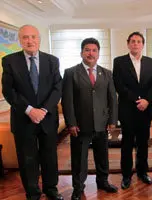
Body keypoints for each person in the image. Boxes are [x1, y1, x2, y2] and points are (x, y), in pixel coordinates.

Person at [1, 25, 63, 200]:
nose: (30, 41)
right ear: (20, 40)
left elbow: (57, 87)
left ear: (39, 39)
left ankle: (51, 189)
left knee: (50, 157)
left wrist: (43, 110)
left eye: (33, 37)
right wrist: (29, 110)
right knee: (27, 159)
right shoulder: (9, 61)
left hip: (47, 118)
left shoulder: (52, 60)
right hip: (23, 119)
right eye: (26, 37)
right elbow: (9, 91)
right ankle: (32, 193)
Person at [62, 38, 118, 200]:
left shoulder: (106, 73)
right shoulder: (71, 73)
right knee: (79, 158)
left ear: (98, 54)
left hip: (102, 123)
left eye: (94, 50)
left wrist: (113, 120)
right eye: (87, 50)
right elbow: (67, 101)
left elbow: (112, 99)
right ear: (81, 53)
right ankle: (78, 187)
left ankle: (103, 182)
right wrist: (71, 123)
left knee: (102, 155)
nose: (90, 53)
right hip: (80, 125)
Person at [113, 32, 152, 189]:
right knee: (127, 144)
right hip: (127, 109)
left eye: (139, 41)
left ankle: (142, 172)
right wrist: (137, 99)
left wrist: (147, 100)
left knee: (143, 143)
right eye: (132, 41)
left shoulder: (150, 62)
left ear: (142, 44)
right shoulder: (119, 62)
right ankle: (126, 175)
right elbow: (119, 85)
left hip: (145, 109)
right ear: (128, 44)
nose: (135, 44)